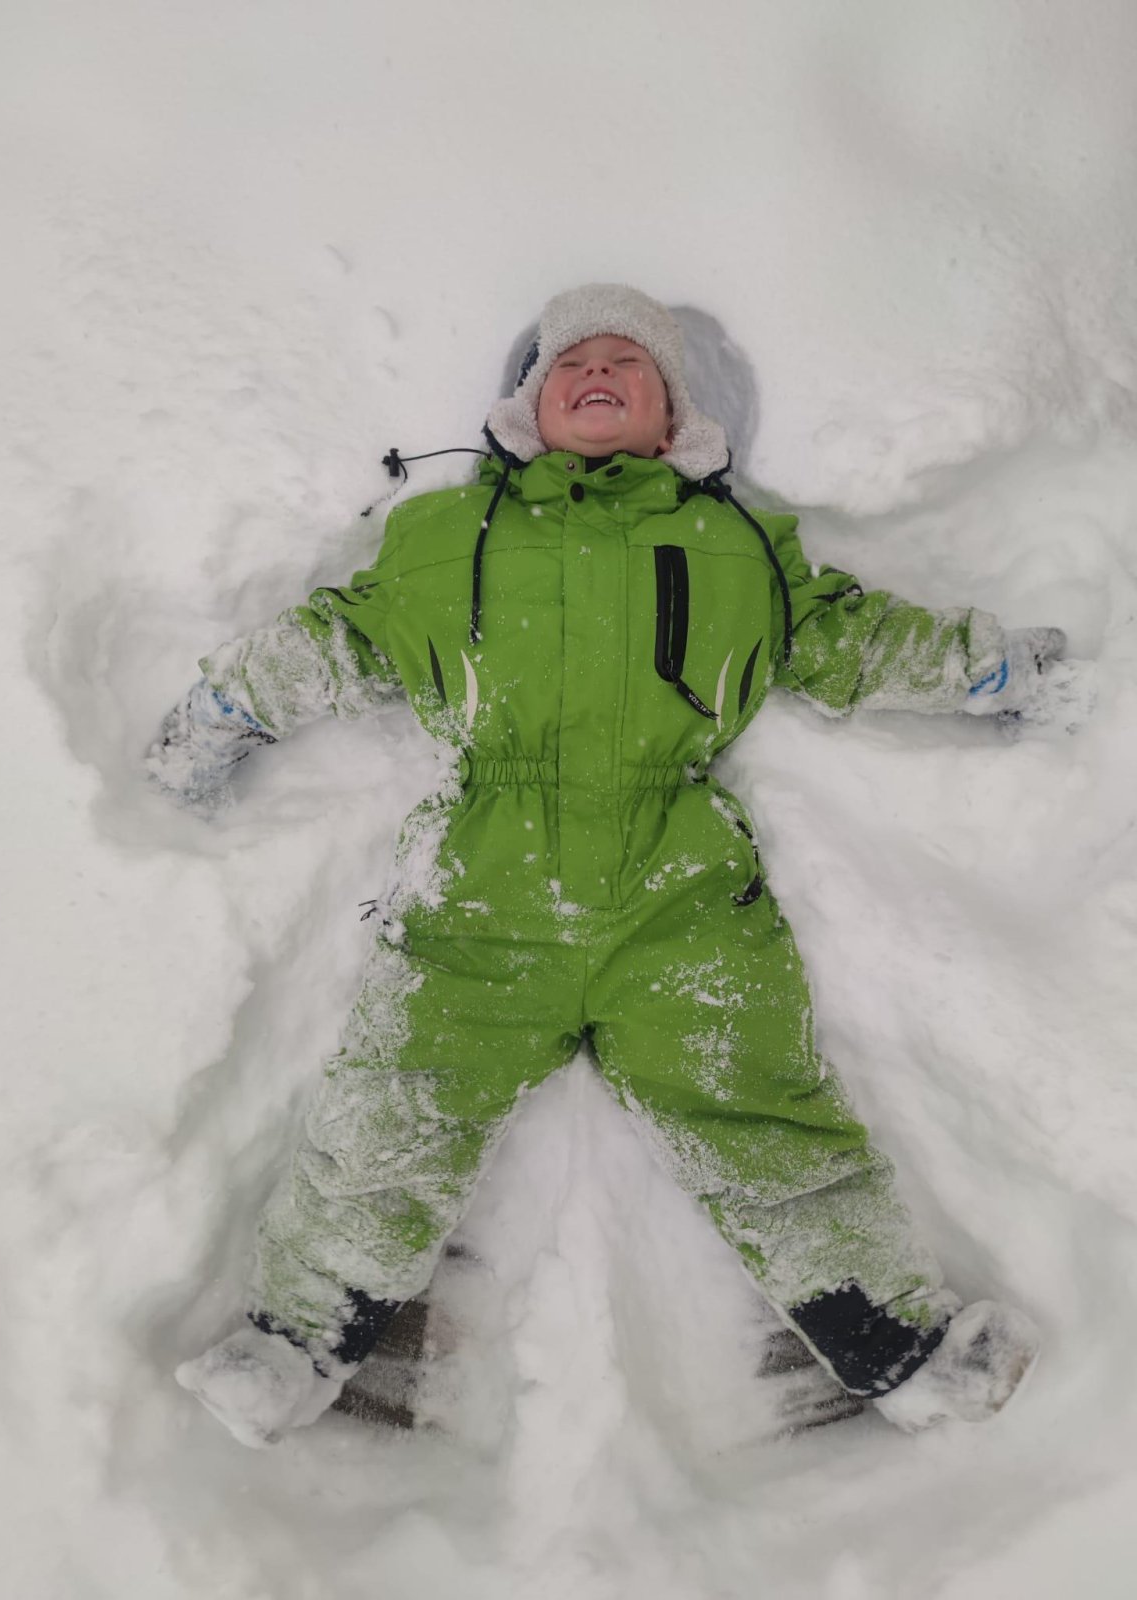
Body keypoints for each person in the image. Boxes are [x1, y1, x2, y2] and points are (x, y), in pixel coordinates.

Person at [153, 284, 1076, 1449]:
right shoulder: (447, 536)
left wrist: (993, 673)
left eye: (627, 363)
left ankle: (898, 1345)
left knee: (762, 1110)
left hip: (679, 897)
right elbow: (337, 633)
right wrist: (225, 711)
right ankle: (291, 1343)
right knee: (395, 1104)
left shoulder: (736, 546)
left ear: (673, 410)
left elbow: (854, 634)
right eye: (570, 361)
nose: (597, 373)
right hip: (483, 891)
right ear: (527, 404)